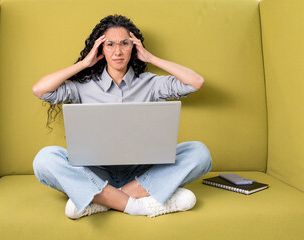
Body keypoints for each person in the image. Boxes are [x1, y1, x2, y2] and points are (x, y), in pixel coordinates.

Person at [32, 14, 212, 219]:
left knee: (200, 153)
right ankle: (138, 206)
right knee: (44, 159)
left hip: (142, 173)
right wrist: (84, 63)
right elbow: (40, 90)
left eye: (124, 44)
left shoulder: (151, 83)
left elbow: (195, 82)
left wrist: (151, 58)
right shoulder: (83, 86)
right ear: (101, 49)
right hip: (95, 172)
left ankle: (101, 200)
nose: (117, 51)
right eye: (110, 44)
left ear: (134, 47)